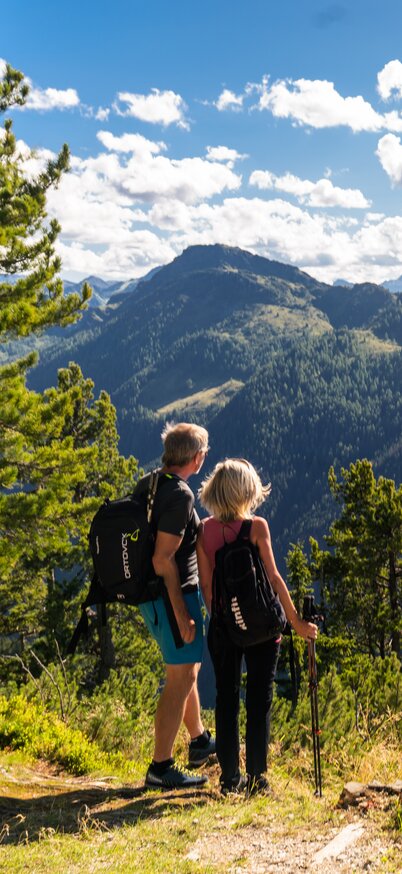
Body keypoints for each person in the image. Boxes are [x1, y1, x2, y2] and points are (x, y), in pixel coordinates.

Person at [196, 458, 318, 796]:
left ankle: (229, 780)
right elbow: (275, 579)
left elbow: (207, 587)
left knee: (226, 698)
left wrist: (226, 621)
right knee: (259, 699)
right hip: (264, 628)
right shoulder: (257, 527)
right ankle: (257, 778)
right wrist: (296, 623)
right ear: (244, 491)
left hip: (224, 627)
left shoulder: (204, 531)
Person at [135, 422, 215, 789]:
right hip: (172, 596)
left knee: (187, 671)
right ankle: (161, 767)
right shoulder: (180, 494)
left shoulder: (151, 483)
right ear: (196, 457)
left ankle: (198, 741)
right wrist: (182, 613)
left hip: (154, 598)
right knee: (179, 677)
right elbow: (162, 559)